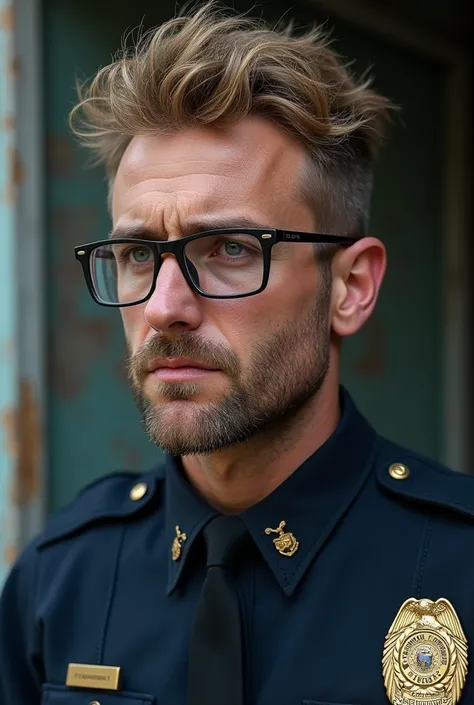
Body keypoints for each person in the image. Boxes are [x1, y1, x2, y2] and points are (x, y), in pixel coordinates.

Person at [1, 3, 473, 705]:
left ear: (351, 286)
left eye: (227, 250)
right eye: (136, 254)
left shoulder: (459, 566)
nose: (164, 308)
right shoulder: (59, 579)